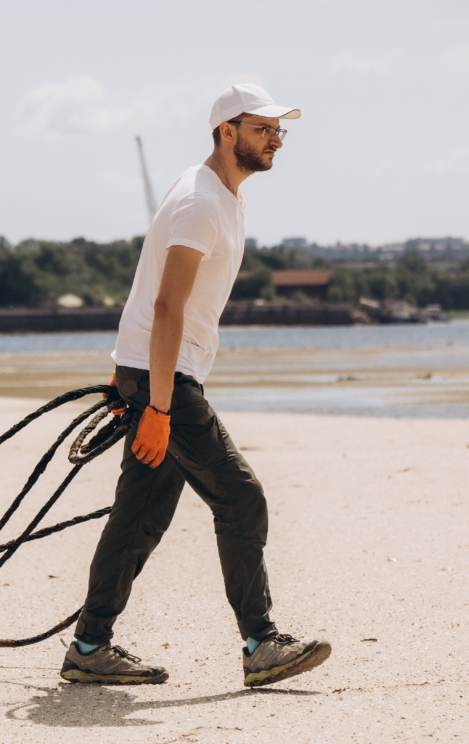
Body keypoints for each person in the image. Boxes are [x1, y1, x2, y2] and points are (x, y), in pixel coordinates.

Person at [60, 84, 332, 688]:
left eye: (279, 131)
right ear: (226, 131)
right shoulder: (201, 202)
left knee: (141, 515)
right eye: (264, 129)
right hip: (168, 379)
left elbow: (148, 290)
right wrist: (155, 403)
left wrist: (127, 374)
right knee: (241, 498)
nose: (277, 140)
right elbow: (165, 305)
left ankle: (88, 646)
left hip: (153, 372)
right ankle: (261, 643)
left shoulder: (221, 197)